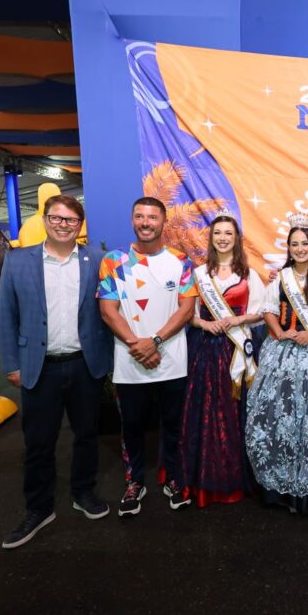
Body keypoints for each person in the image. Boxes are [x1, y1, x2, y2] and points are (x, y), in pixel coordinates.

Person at [0, 195, 114, 549]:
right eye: (57, 218)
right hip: (39, 367)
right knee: (38, 443)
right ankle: (39, 508)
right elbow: (6, 313)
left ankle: (83, 492)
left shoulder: (97, 260)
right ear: (45, 219)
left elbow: (110, 310)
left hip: (84, 365)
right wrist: (11, 363)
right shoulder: (18, 261)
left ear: (80, 225)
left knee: (87, 435)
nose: (63, 225)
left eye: (71, 220)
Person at [98, 197, 197, 514]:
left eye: (152, 217)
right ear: (132, 220)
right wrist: (137, 344)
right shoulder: (114, 261)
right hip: (130, 362)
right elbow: (107, 310)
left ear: (163, 222)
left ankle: (174, 480)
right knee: (132, 426)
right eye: (139, 216)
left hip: (172, 361)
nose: (145, 222)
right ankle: (135, 482)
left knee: (174, 425)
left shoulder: (181, 261)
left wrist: (154, 341)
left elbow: (186, 309)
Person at [245, 216, 308, 513]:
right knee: (279, 416)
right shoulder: (281, 278)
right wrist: (280, 332)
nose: (300, 249)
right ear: (288, 248)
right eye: (294, 244)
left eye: (305, 244)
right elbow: (269, 311)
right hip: (282, 352)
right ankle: (278, 485)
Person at [180, 214, 265, 507]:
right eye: (218, 233)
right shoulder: (199, 274)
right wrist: (206, 324)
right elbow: (187, 314)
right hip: (205, 349)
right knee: (205, 411)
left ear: (236, 238)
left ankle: (237, 477)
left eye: (228, 233)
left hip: (238, 351)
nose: (223, 238)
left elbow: (261, 311)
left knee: (237, 411)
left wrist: (237, 319)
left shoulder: (249, 274)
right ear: (211, 238)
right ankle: (205, 478)